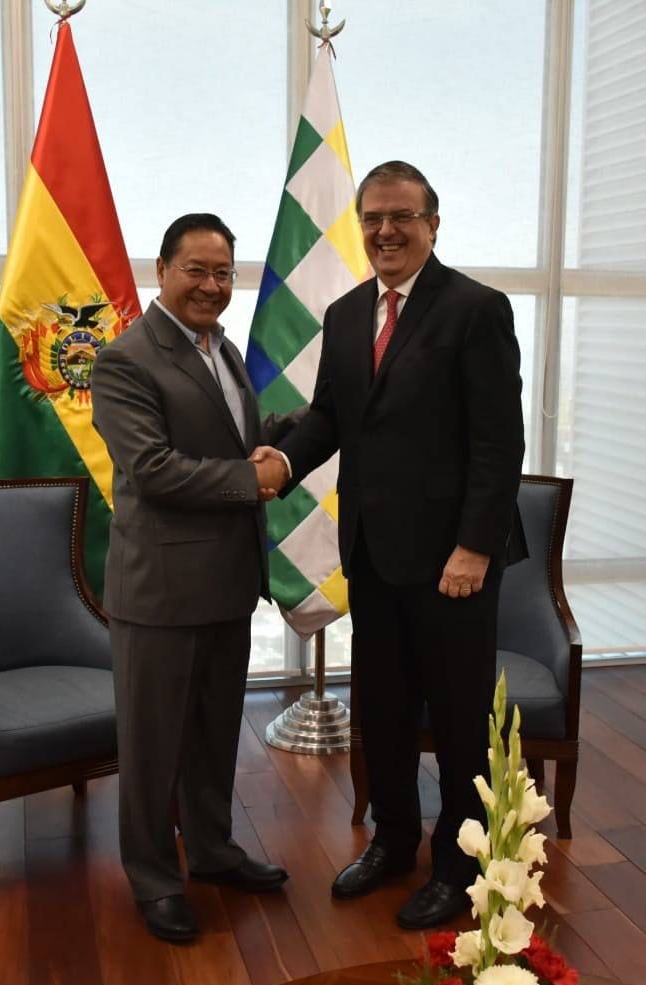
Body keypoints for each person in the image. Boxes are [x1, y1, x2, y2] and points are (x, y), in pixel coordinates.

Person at [252, 161, 526, 929]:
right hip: (371, 554)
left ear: (432, 224)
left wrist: (474, 547)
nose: (384, 230)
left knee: (458, 715)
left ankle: (458, 863)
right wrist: (280, 463)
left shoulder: (475, 309)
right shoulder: (343, 315)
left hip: (451, 566)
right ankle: (394, 842)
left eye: (401, 216)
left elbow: (497, 443)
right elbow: (330, 420)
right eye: (372, 217)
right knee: (383, 708)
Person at [91, 213, 293, 943]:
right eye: (196, 270)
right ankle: (152, 878)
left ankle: (211, 851)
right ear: (162, 270)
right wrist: (254, 477)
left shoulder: (221, 349)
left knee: (211, 736)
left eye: (222, 273)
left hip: (226, 585)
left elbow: (234, 433)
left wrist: (304, 427)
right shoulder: (126, 359)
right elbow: (152, 471)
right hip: (161, 593)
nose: (211, 285)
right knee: (151, 748)